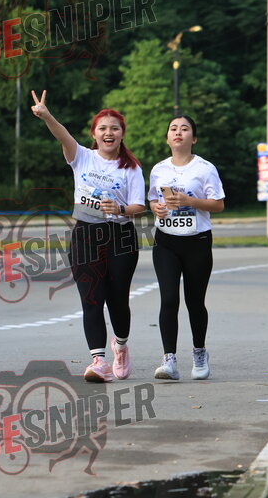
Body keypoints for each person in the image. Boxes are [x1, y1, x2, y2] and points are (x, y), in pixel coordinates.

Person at [31, 90, 146, 382]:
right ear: (94, 134)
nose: (109, 133)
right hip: (85, 235)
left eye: (114, 128)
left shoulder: (131, 168)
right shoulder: (82, 156)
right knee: (91, 299)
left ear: (122, 134)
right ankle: (99, 361)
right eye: (102, 128)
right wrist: (46, 115)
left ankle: (121, 346)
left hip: (120, 237)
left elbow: (139, 207)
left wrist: (120, 208)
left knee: (117, 301)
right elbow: (63, 135)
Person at [148, 116, 225, 381]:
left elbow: (218, 204)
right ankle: (169, 359)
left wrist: (190, 201)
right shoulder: (159, 169)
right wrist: (156, 208)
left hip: (197, 241)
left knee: (195, 301)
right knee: (169, 299)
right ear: (167, 138)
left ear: (194, 138)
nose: (178, 132)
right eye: (173, 129)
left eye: (184, 128)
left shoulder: (205, 168)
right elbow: (152, 200)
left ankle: (199, 352)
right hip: (166, 241)